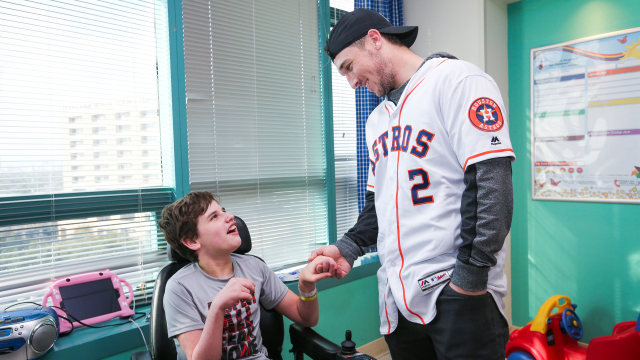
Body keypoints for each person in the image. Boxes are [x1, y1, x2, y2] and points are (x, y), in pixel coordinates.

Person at [309, 8, 515, 360]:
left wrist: (470, 276)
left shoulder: (457, 80)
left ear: (374, 40)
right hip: (398, 297)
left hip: (458, 292)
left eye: (348, 67)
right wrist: (347, 248)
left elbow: (491, 182)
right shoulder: (377, 120)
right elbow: (381, 203)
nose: (351, 82)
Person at [158, 191, 340, 360]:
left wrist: (306, 286)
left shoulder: (254, 267)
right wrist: (218, 308)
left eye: (223, 211)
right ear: (192, 241)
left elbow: (307, 319)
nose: (230, 217)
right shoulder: (179, 288)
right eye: (214, 217)